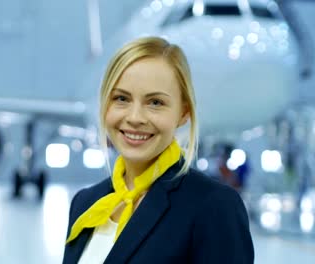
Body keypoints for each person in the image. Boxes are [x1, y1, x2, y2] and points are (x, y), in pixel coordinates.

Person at [63, 36, 254, 263]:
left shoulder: (213, 207)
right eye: (121, 98)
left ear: (183, 113)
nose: (134, 118)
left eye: (155, 103)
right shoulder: (86, 204)